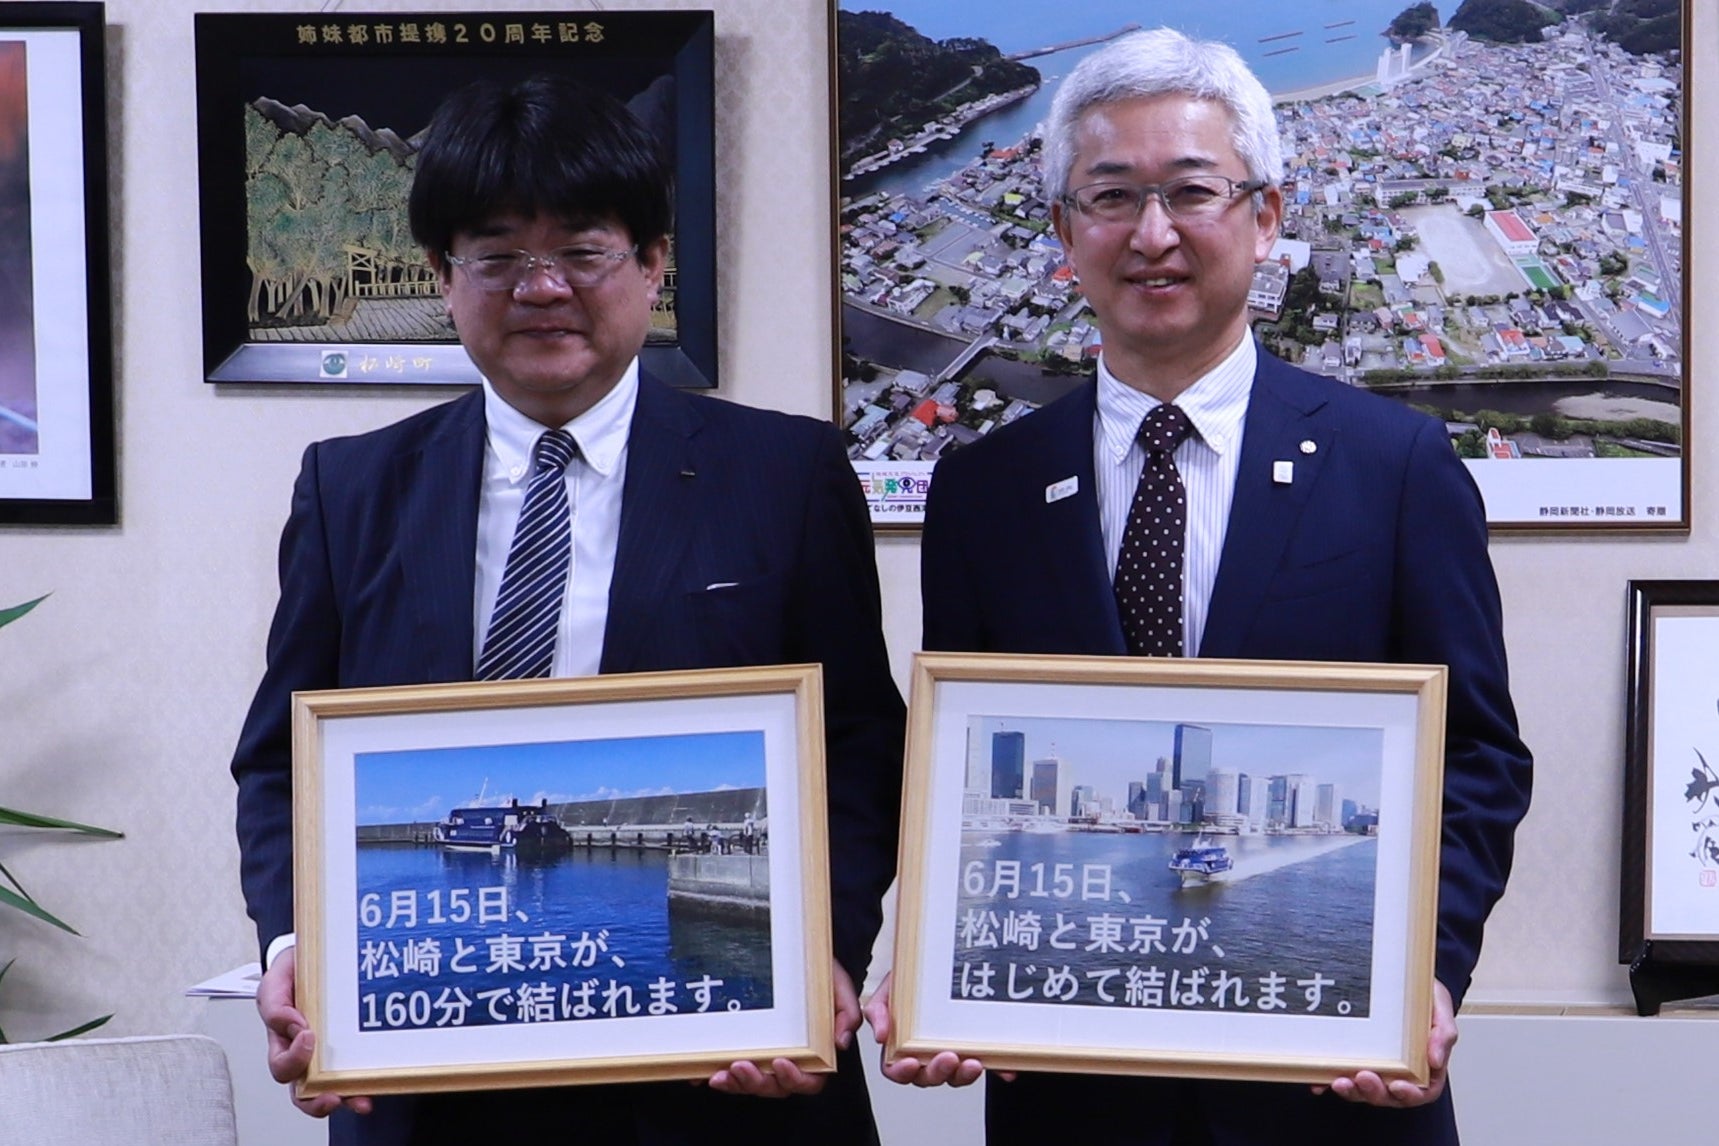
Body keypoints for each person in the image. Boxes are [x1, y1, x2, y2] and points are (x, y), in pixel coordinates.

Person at [864, 28, 1531, 1146]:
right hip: (1077, 1090)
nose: (1153, 234)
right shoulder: (984, 488)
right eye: (1111, 197)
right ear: (1065, 231)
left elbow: (1478, 756)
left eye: (1191, 193)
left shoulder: (1396, 465)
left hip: (1325, 1078)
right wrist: (939, 958)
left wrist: (1427, 969)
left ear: (1265, 216)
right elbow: (966, 770)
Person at [231, 75, 904, 1146]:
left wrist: (822, 949)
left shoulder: (788, 473)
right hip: (435, 1075)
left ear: (652, 265)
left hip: (725, 1076)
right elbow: (279, 762)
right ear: (445, 281)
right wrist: (293, 946)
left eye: (584, 250)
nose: (542, 288)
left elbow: (862, 743)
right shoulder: (350, 490)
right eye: (497, 255)